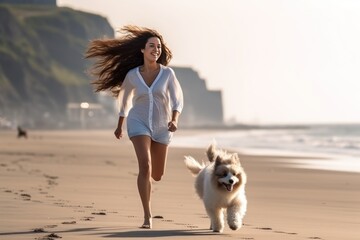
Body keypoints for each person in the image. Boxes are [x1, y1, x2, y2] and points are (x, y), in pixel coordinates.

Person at [85, 25, 184, 229]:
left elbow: (177, 101)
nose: (156, 49)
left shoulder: (168, 74)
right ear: (142, 49)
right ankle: (147, 216)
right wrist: (119, 125)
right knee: (145, 167)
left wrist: (175, 120)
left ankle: (148, 194)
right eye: (151, 46)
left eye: (158, 47)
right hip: (137, 122)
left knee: (157, 174)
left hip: (162, 126)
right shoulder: (132, 75)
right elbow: (124, 101)